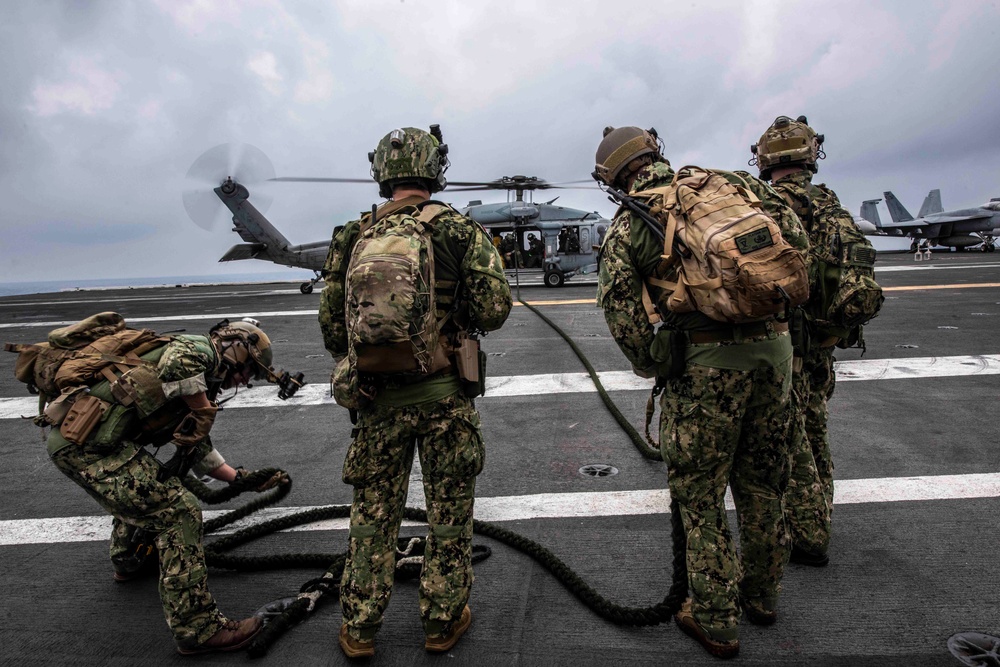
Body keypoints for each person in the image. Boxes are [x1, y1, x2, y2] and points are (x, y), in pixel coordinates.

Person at [594, 126, 810, 659]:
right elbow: (796, 245)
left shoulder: (629, 225)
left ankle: (715, 617)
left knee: (701, 496)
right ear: (655, 152)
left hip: (706, 368)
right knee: (763, 481)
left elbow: (623, 317)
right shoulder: (733, 185)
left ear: (616, 175)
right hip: (775, 355)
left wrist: (656, 362)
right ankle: (762, 596)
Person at [319, 126, 511, 658]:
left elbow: (334, 330)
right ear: (434, 171)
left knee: (372, 518)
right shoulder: (458, 229)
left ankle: (359, 629)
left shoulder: (352, 234)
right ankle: (442, 621)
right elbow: (494, 310)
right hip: (445, 395)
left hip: (379, 401)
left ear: (382, 172)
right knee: (449, 515)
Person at [45, 317, 283, 654]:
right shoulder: (200, 350)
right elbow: (178, 364)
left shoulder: (198, 382)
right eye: (250, 371)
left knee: (147, 490)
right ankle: (198, 629)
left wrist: (242, 479)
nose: (245, 381)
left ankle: (128, 560)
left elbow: (198, 447)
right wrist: (203, 409)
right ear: (237, 348)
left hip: (84, 445)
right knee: (179, 513)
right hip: (89, 448)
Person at [752, 115, 865, 567]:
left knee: (788, 440)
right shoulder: (832, 209)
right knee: (816, 429)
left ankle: (809, 532)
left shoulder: (766, 208)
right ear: (809, 156)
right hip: (823, 345)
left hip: (782, 347)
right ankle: (822, 511)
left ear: (765, 160)